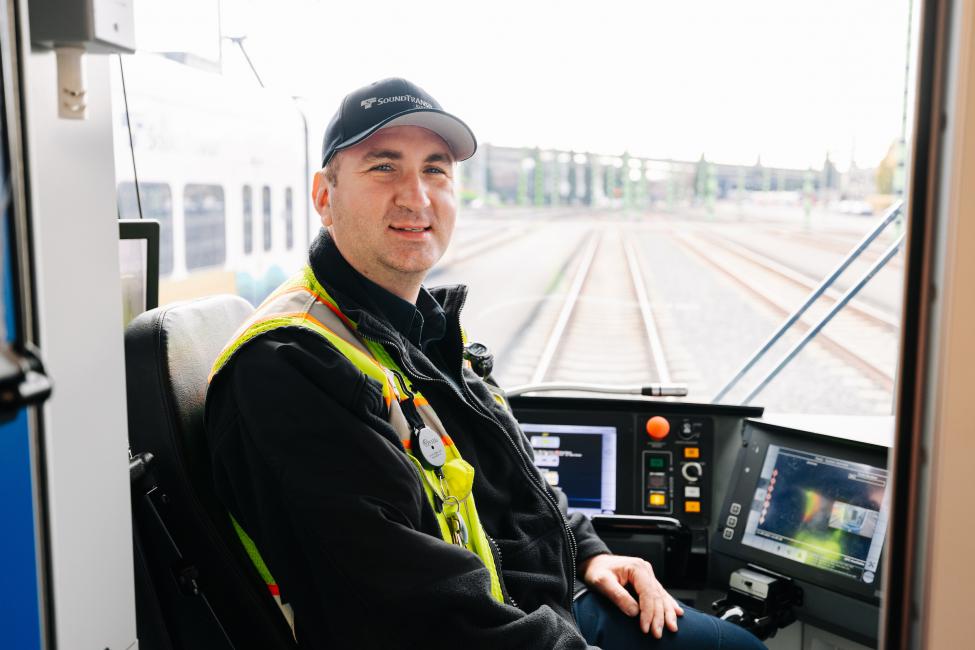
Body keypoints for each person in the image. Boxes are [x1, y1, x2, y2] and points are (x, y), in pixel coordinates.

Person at [205, 77, 765, 649]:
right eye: (384, 167)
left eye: (435, 169)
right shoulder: (291, 365)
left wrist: (591, 554)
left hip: (536, 601)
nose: (416, 197)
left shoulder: (417, 331)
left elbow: (507, 480)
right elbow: (412, 610)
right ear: (325, 196)